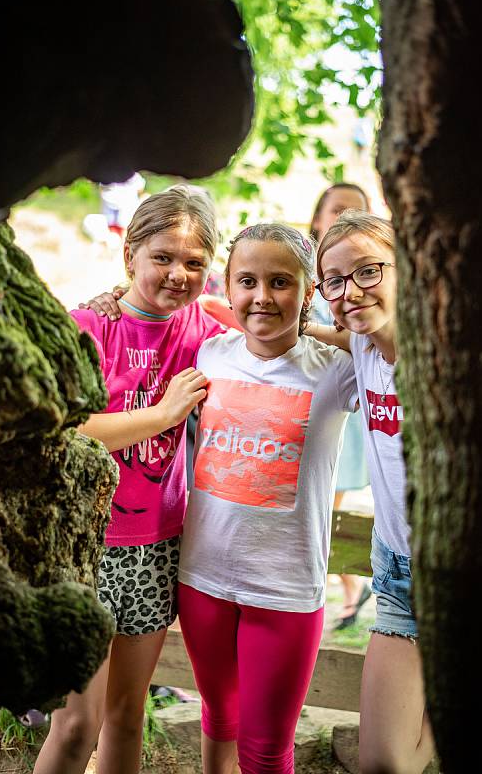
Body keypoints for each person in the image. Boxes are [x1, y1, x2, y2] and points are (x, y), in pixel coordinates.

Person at [33, 184, 226, 774]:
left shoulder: (206, 331)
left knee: (126, 716)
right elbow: (63, 430)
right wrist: (164, 414)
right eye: (162, 258)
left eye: (194, 263)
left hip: (156, 547)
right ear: (129, 256)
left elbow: (282, 326)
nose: (178, 274)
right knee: (76, 724)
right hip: (84, 547)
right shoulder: (88, 325)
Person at [177, 223, 358, 774]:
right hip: (202, 578)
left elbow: (393, 343)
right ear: (228, 286)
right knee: (219, 717)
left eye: (281, 283)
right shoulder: (207, 355)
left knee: (265, 749)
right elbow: (158, 312)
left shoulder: (337, 373)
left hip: (284, 590)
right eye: (247, 281)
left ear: (308, 292)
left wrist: (313, 330)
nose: (261, 296)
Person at [313, 208, 435, 773]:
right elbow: (300, 323)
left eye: (367, 271)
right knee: (384, 761)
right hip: (401, 579)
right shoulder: (361, 347)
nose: (349, 292)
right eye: (334, 281)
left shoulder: (451, 353)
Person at [310, 182, 372, 629]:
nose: (344, 217)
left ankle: (348, 587)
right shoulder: (305, 277)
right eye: (336, 210)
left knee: (331, 501)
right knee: (319, 501)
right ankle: (350, 588)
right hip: (310, 403)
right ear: (317, 218)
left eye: (356, 211)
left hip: (350, 410)